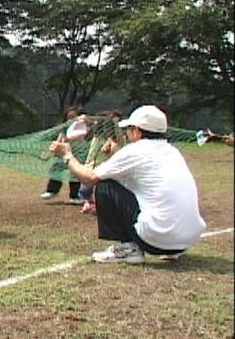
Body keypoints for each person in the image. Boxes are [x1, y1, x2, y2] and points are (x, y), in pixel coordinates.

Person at [49, 104, 206, 264]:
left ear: (137, 131)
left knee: (104, 184)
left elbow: (89, 178)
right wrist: (117, 154)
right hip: (184, 241)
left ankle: (127, 248)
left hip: (155, 240)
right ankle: (172, 251)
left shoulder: (134, 150)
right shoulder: (173, 152)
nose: (126, 133)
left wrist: (67, 155)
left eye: (129, 129)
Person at [77, 110, 124, 214]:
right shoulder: (97, 137)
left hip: (103, 170)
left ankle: (96, 204)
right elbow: (91, 124)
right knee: (85, 191)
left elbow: (119, 142)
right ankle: (89, 203)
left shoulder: (118, 139)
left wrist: (115, 124)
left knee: (97, 189)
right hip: (91, 168)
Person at [40, 106, 87, 205]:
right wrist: (49, 151)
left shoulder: (83, 125)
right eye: (68, 118)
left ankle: (75, 196)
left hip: (79, 152)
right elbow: (59, 139)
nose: (70, 120)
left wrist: (81, 119)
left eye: (73, 117)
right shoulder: (65, 127)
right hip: (65, 151)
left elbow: (82, 133)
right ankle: (52, 190)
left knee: (75, 174)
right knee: (56, 167)